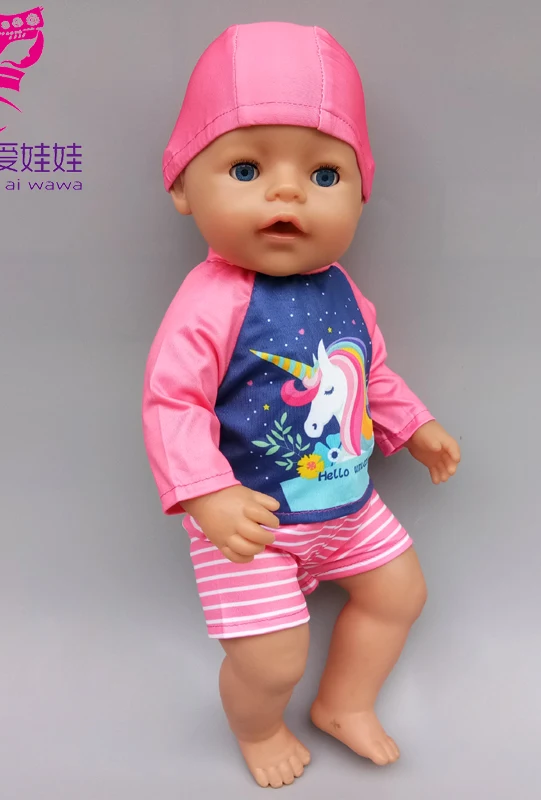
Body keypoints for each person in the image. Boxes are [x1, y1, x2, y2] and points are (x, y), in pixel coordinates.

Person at [142, 21, 461, 789]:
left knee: (400, 593)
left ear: (360, 195)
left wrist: (414, 425)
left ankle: (344, 701)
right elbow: (173, 401)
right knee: (271, 658)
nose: (287, 192)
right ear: (183, 186)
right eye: (246, 168)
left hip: (347, 504)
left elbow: (371, 372)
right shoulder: (210, 301)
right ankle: (258, 729)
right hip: (252, 525)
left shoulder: (341, 287)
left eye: (323, 175)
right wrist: (207, 494)